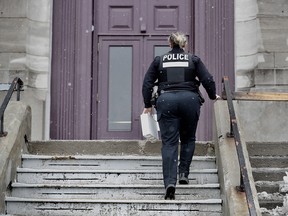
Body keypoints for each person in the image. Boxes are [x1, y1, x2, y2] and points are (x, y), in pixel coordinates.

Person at [142, 32, 220, 200]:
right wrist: (213, 96)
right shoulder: (193, 59)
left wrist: (147, 104)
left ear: (169, 44)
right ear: (184, 45)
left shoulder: (159, 60)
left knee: (169, 143)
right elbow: (208, 79)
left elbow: (147, 83)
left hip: (166, 100)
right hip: (189, 100)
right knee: (188, 138)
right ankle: (183, 173)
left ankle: (170, 183)